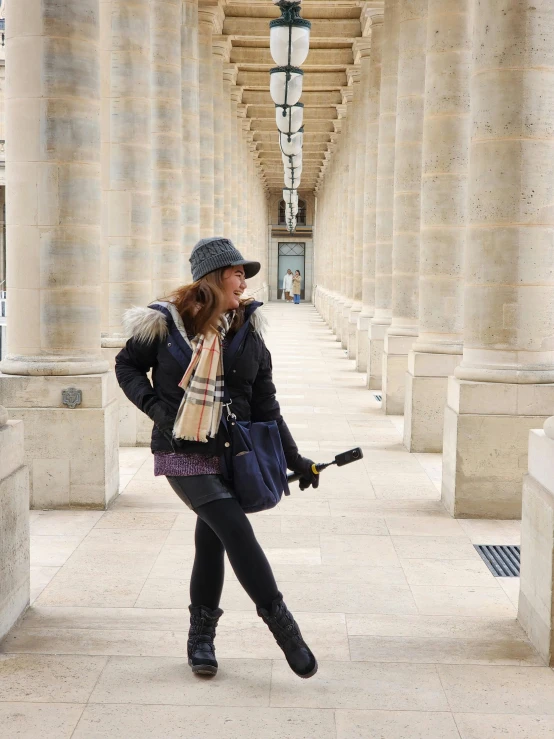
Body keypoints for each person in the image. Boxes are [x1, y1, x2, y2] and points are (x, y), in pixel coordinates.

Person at [115, 237, 319, 680]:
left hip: (231, 453)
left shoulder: (249, 331)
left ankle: (200, 639)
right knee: (235, 530)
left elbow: (266, 403)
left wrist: (296, 458)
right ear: (213, 277)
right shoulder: (166, 325)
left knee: (211, 540)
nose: (244, 281)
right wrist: (156, 409)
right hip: (181, 450)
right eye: (236, 272)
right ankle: (287, 632)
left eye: (245, 273)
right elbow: (126, 366)